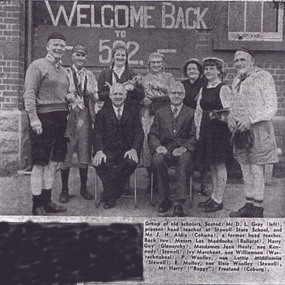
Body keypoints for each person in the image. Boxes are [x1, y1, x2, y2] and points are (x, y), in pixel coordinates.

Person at [228, 48, 278, 218]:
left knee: (257, 169)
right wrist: (231, 117)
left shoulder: (263, 77)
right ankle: (248, 205)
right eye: (236, 60)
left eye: (243, 59)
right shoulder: (236, 81)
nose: (239, 63)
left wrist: (251, 119)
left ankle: (258, 209)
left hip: (258, 128)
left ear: (252, 61)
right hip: (241, 130)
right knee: (245, 168)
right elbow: (234, 105)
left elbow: (271, 107)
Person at [23, 32, 69, 215]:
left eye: (62, 46)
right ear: (47, 46)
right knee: (40, 163)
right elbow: (29, 94)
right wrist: (34, 119)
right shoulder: (37, 66)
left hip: (60, 119)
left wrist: (71, 99)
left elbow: (63, 95)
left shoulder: (64, 70)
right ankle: (36, 204)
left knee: (54, 162)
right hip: (43, 119)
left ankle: (47, 201)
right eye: (55, 45)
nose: (58, 48)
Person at [92, 83, 144, 209]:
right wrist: (99, 151)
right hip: (108, 150)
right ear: (110, 96)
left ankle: (111, 192)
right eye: (115, 94)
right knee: (100, 162)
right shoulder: (102, 113)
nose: (118, 96)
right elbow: (97, 134)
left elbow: (139, 133)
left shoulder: (133, 111)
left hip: (127, 150)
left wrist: (134, 149)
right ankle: (113, 193)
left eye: (121, 94)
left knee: (131, 162)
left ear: (125, 96)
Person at [148, 81, 196, 217]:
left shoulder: (191, 113)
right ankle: (164, 199)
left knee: (184, 160)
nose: (176, 95)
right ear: (169, 95)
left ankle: (179, 203)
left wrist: (184, 148)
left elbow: (194, 136)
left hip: (183, 150)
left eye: (179, 93)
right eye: (174, 93)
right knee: (157, 159)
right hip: (165, 149)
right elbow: (152, 134)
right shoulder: (160, 112)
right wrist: (158, 147)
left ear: (184, 95)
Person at [59, 44, 98, 203]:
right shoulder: (65, 73)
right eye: (77, 55)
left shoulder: (90, 75)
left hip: (85, 114)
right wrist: (69, 96)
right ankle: (64, 190)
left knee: (84, 151)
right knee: (67, 152)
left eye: (83, 55)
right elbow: (60, 92)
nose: (80, 57)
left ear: (86, 57)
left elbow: (96, 95)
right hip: (68, 115)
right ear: (72, 56)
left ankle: (83, 188)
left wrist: (91, 94)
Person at [196, 57, 232, 213]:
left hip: (219, 131)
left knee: (219, 164)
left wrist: (218, 117)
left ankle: (219, 199)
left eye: (212, 68)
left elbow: (229, 111)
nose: (209, 71)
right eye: (206, 69)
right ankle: (213, 196)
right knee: (211, 164)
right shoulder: (203, 89)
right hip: (206, 130)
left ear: (219, 71)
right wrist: (198, 129)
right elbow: (199, 110)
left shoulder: (223, 88)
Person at [140, 52, 176, 192]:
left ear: (163, 64)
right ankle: (152, 180)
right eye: (153, 62)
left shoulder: (169, 77)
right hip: (149, 115)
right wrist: (143, 101)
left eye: (158, 62)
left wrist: (161, 87)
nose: (155, 65)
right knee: (148, 145)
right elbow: (138, 97)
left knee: (164, 144)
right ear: (148, 64)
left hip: (166, 116)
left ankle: (163, 179)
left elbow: (175, 93)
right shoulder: (143, 79)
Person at [181, 58, 209, 196]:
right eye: (189, 69)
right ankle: (187, 183)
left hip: (200, 121)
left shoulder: (205, 84)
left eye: (194, 69)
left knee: (202, 152)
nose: (191, 71)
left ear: (199, 71)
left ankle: (203, 184)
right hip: (185, 122)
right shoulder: (182, 84)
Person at [97, 40, 144, 109]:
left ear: (126, 58)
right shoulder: (105, 73)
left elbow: (142, 94)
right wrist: (112, 91)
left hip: (129, 111)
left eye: (123, 55)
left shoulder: (133, 73)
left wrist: (132, 89)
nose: (120, 57)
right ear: (113, 58)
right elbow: (99, 95)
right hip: (110, 111)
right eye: (117, 55)